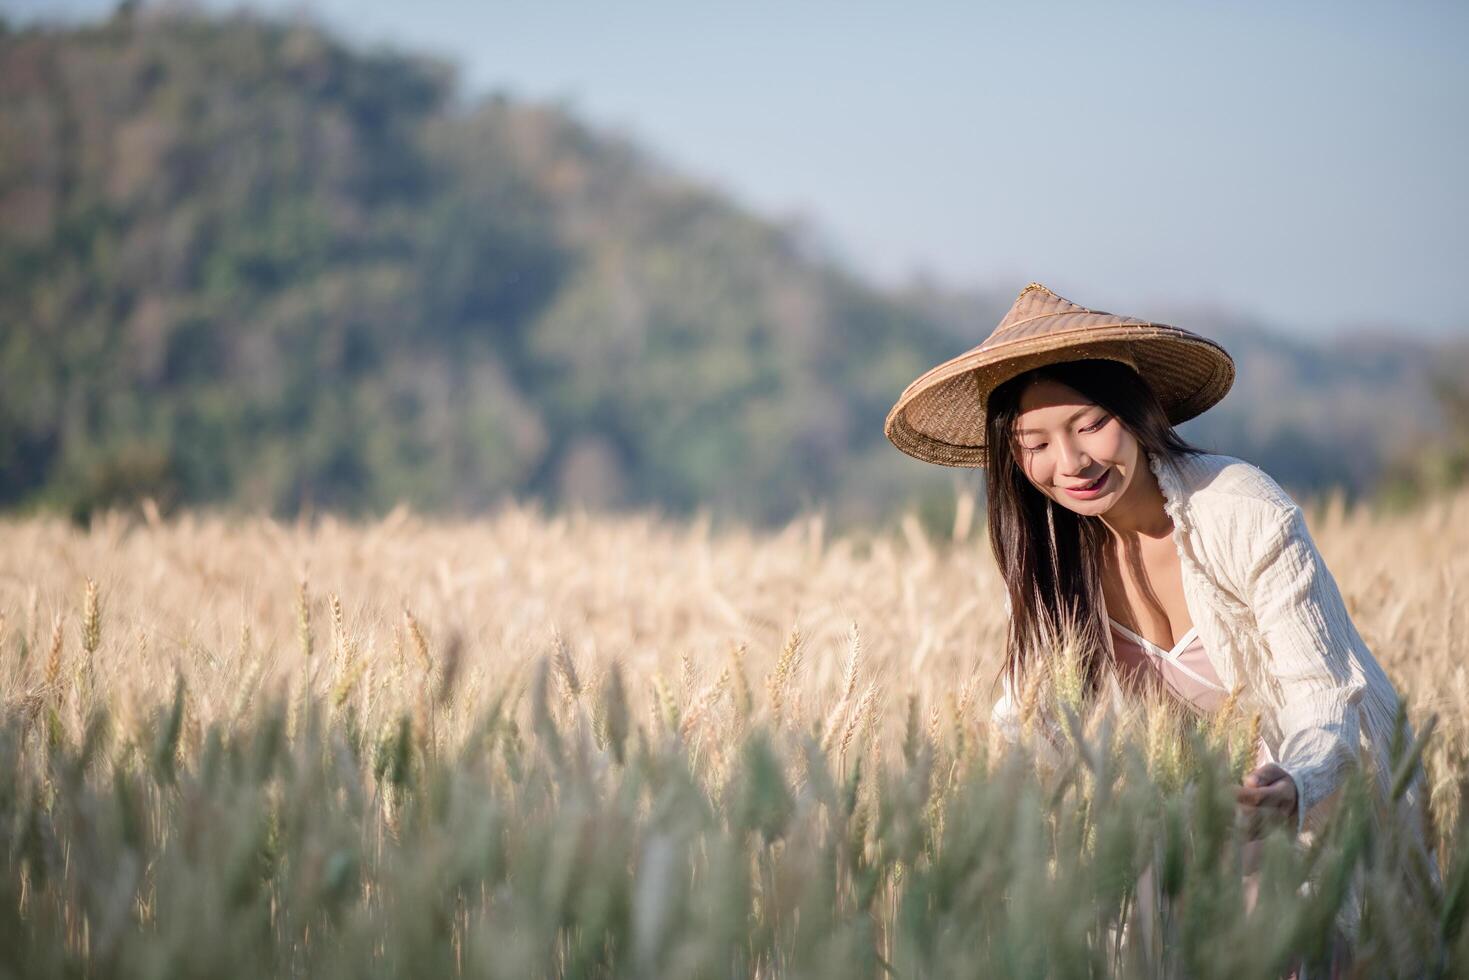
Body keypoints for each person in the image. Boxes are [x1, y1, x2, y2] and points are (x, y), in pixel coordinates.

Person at [884, 281, 1436, 976]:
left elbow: (1322, 692)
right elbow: (1028, 728)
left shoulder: (1239, 509)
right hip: (1182, 840)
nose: (1070, 463)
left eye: (1088, 425)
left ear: (1136, 411)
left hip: (1318, 813)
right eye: (1034, 443)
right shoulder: (1049, 564)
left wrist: (1295, 782)